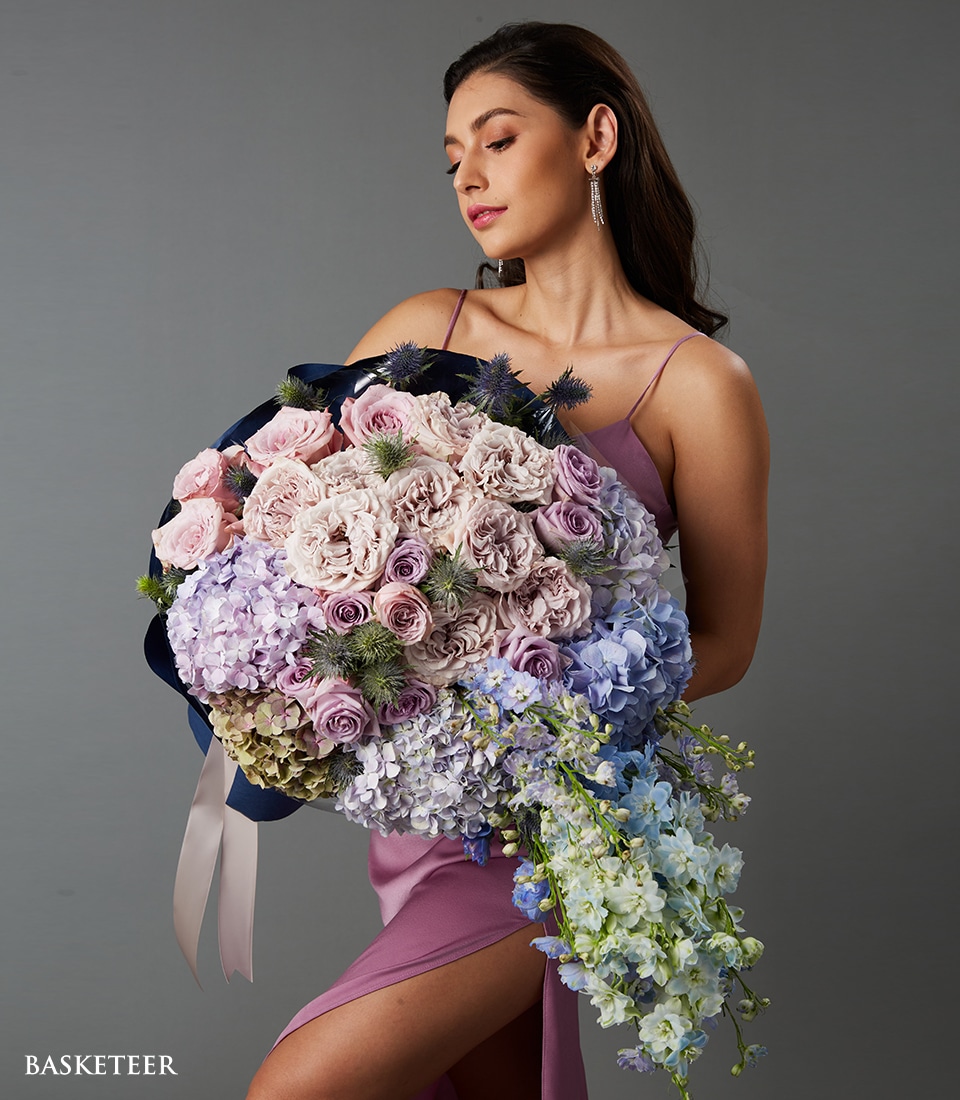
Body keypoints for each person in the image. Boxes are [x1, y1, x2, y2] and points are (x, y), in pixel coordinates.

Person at [246, 20, 767, 1100]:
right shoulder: (426, 325)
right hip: (427, 814)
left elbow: (725, 641)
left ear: (595, 136)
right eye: (451, 160)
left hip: (553, 817)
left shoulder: (702, 384)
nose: (468, 178)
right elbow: (299, 536)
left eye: (496, 139)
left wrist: (554, 701)